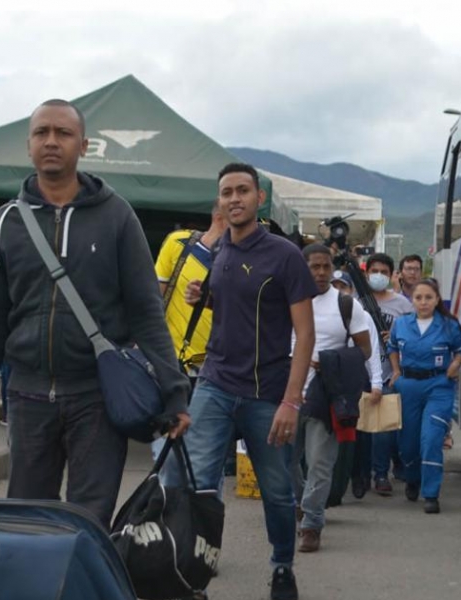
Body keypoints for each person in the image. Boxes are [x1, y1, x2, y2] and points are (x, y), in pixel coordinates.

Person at [0, 99, 190, 526]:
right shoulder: (6, 223)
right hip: (26, 396)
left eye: (63, 133)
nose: (51, 141)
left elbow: (146, 312)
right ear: (27, 145)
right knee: (28, 521)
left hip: (96, 397)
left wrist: (174, 393)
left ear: (84, 146)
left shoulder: (117, 216)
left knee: (88, 521)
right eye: (41, 132)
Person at [171, 162, 315, 600]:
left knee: (275, 491)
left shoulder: (285, 255)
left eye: (242, 191)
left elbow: (304, 333)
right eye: (226, 193)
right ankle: (191, 572)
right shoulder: (220, 253)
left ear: (259, 199)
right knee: (194, 484)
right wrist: (206, 297)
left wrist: (291, 402)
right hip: (214, 384)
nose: (234, 199)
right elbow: (237, 307)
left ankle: (282, 568)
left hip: (266, 392)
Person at [291, 250, 371, 554]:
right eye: (314, 267)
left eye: (326, 267)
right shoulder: (286, 299)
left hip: (325, 394)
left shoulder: (346, 305)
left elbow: (364, 349)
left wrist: (331, 362)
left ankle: (311, 524)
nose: (321, 272)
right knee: (282, 461)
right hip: (285, 391)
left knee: (320, 464)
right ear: (303, 268)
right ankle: (300, 502)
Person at [151, 201, 227, 460]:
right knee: (165, 450)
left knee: (205, 453)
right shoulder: (179, 244)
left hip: (217, 371)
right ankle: (164, 497)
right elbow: (152, 300)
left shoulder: (244, 259)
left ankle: (199, 500)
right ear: (219, 215)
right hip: (172, 366)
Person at [386, 280, 461, 514]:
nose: (423, 302)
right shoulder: (401, 324)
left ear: (437, 299)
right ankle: (413, 478)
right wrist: (397, 371)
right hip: (408, 386)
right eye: (419, 298)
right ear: (412, 300)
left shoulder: (448, 325)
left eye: (428, 297)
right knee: (408, 443)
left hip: (438, 386)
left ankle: (431, 493)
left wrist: (455, 365)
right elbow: (392, 347)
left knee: (431, 438)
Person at [353, 254, 414, 496]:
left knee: (382, 431)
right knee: (360, 430)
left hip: (388, 375)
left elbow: (413, 336)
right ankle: (360, 475)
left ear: (391, 275)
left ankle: (380, 474)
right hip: (360, 374)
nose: (378, 275)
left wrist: (397, 338)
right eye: (374, 270)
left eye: (384, 271)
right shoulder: (355, 302)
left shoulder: (402, 304)